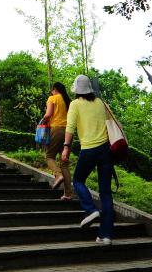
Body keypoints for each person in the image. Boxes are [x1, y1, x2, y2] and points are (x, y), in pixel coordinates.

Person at [62, 74, 114, 245]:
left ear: (77, 90)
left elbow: (70, 128)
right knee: (105, 193)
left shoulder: (75, 104)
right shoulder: (100, 102)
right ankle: (106, 236)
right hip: (106, 150)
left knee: (77, 180)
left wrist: (66, 148)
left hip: (89, 149)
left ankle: (90, 209)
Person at [41, 81, 73, 200]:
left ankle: (58, 175)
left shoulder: (53, 98)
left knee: (49, 156)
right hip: (68, 132)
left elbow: (48, 114)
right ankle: (68, 194)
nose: (51, 93)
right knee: (64, 163)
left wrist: (42, 122)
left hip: (57, 129)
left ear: (54, 89)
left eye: (52, 91)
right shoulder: (68, 100)